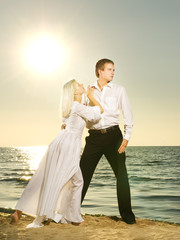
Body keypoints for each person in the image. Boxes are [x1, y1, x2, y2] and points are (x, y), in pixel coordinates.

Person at [10, 79, 104, 228]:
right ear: (74, 92)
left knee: (55, 178)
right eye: (78, 85)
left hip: (62, 142)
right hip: (69, 145)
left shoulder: (72, 107)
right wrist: (92, 96)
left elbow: (72, 120)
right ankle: (64, 216)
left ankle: (20, 212)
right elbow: (98, 114)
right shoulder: (77, 106)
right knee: (64, 180)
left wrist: (88, 97)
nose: (82, 85)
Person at [80, 58, 136, 224]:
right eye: (110, 69)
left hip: (114, 137)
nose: (113, 72)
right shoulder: (88, 91)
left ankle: (127, 216)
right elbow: (81, 111)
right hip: (94, 138)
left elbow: (128, 115)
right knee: (82, 175)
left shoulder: (119, 90)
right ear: (100, 71)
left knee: (122, 176)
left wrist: (126, 138)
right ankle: (72, 210)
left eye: (113, 69)